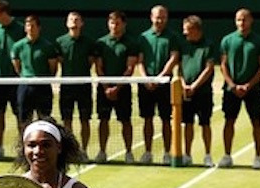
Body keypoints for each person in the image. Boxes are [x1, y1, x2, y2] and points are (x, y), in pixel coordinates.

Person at [218, 8, 260, 169]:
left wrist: (249, 84)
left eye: (244, 19)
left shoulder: (259, 41)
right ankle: (227, 155)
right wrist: (232, 85)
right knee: (229, 121)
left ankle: (258, 157)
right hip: (231, 90)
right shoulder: (227, 40)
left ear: (251, 21)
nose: (242, 23)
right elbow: (223, 65)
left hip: (253, 90)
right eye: (239, 20)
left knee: (256, 122)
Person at [137, 5, 180, 165]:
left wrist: (160, 77)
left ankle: (167, 153)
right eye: (157, 17)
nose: (159, 20)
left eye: (162, 17)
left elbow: (174, 58)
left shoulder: (172, 37)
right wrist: (147, 79)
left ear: (166, 18)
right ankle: (148, 153)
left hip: (165, 84)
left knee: (166, 120)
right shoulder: (143, 37)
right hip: (146, 85)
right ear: (151, 17)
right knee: (147, 119)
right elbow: (140, 61)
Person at [94, 10, 139, 164]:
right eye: (112, 23)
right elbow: (98, 67)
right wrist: (106, 87)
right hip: (103, 89)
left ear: (123, 24)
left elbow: (130, 68)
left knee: (125, 121)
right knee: (103, 120)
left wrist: (117, 88)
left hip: (123, 89)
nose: (114, 26)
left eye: (118, 23)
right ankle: (102, 152)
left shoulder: (131, 43)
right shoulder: (101, 43)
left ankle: (128, 152)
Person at [55, 11, 96, 162]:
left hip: (84, 86)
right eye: (71, 19)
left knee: (85, 119)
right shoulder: (60, 42)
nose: (74, 22)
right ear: (67, 23)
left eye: (77, 20)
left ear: (82, 23)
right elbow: (59, 61)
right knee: (67, 120)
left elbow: (91, 61)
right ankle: (69, 151)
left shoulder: (89, 42)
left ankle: (84, 151)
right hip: (66, 87)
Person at [0, 0, 24, 159]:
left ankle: (23, 148)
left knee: (20, 116)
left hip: (17, 81)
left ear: (3, 13)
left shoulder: (21, 29)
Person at [179, 15, 217, 168]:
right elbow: (179, 69)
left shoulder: (208, 46)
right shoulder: (183, 45)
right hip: (186, 93)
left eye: (187, 30)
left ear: (196, 30)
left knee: (205, 123)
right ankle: (187, 155)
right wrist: (183, 85)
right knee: (188, 124)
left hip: (203, 92)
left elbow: (208, 69)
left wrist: (194, 86)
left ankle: (207, 155)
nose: (185, 33)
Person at [11, 15, 58, 127]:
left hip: (42, 86)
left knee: (45, 118)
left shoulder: (47, 46)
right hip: (25, 86)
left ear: (39, 27)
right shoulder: (18, 46)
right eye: (28, 26)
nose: (30, 28)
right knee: (24, 118)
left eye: (33, 26)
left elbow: (53, 68)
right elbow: (17, 66)